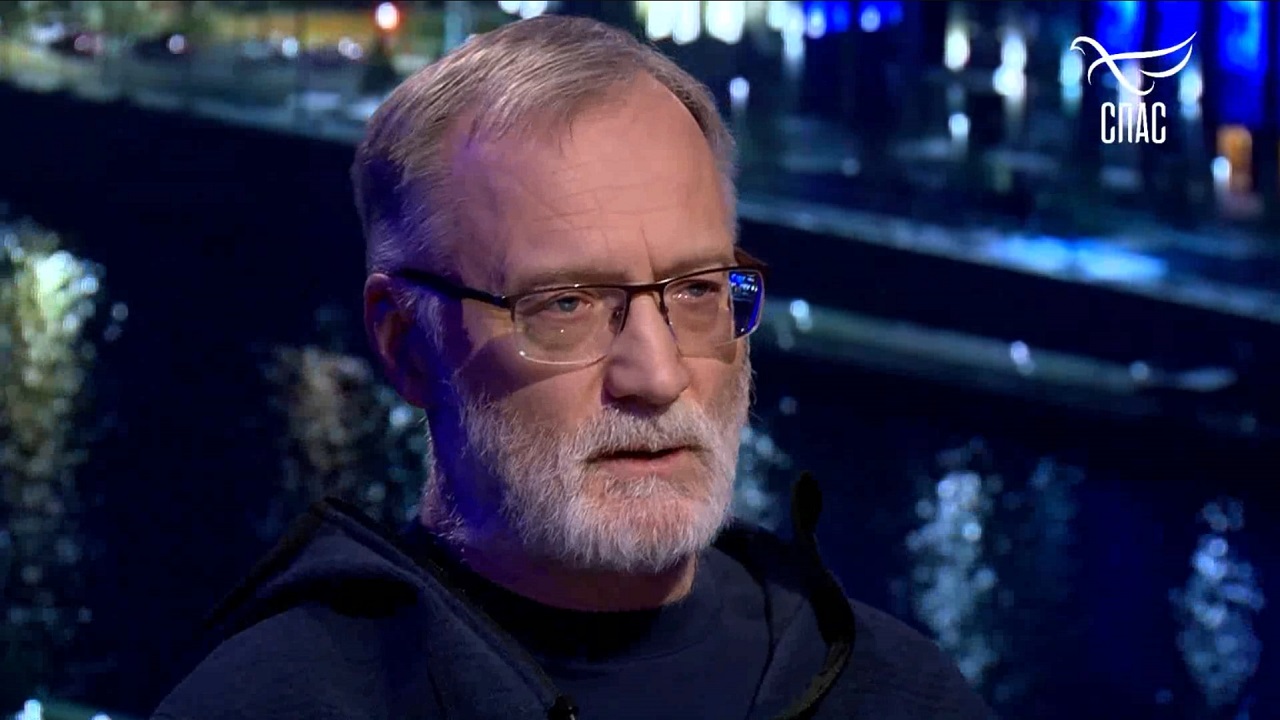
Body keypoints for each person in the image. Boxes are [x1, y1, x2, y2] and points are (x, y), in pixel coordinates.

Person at [153, 14, 992, 720]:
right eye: (565, 305)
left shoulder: (900, 693)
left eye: (696, 291)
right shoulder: (270, 704)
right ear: (408, 343)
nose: (657, 376)